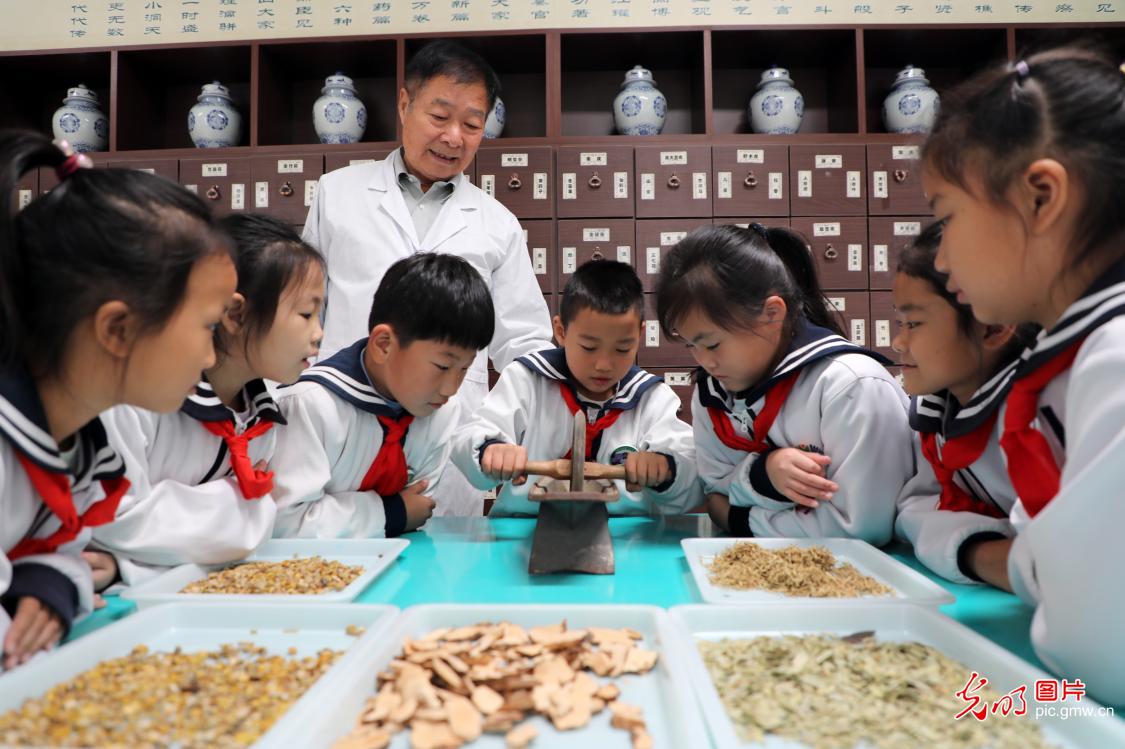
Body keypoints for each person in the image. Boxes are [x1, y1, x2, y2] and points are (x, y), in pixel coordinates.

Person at [920, 47, 1125, 705]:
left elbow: (1096, 647)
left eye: (945, 217)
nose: (941, 255)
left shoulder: (1114, 354)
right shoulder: (1074, 360)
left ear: (1040, 196)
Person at [0, 131, 236, 668]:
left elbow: (71, 559)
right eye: (206, 327)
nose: (208, 358)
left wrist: (48, 583)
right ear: (119, 330)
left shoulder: (81, 441)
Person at [302, 40, 552, 516]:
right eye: (440, 117)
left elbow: (526, 346)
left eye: (472, 125)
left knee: (441, 573)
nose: (454, 137)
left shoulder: (497, 223)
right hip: (341, 423)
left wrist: (494, 434)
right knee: (335, 551)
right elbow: (304, 309)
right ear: (404, 104)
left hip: (446, 437)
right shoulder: (339, 193)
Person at [86, 215, 325, 587]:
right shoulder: (138, 400)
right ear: (235, 314)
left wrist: (129, 563)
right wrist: (245, 505)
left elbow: (251, 539)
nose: (319, 334)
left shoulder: (262, 419)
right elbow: (114, 520)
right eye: (306, 314)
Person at [655, 223, 912, 543]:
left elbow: (860, 529)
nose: (704, 362)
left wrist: (739, 519)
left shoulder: (853, 386)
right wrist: (762, 476)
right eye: (691, 345)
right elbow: (714, 489)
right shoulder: (712, 394)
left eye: (712, 344)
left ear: (772, 314)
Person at [270, 253, 494, 538]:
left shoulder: (440, 412)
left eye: (464, 368)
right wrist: (391, 513)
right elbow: (286, 524)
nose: (451, 388)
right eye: (442, 366)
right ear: (384, 345)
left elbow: (419, 503)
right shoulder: (308, 406)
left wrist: (397, 514)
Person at [452, 260, 701, 516]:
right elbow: (468, 436)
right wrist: (490, 450)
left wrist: (666, 468)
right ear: (560, 331)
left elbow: (691, 475)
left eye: (622, 348)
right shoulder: (526, 380)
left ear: (640, 335)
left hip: (624, 535)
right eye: (589, 348)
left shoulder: (652, 399)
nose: (603, 365)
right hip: (525, 525)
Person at [891, 222, 1037, 589]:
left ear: (993, 327)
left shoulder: (1040, 413)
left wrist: (978, 548)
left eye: (914, 323)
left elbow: (1052, 563)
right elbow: (914, 511)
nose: (897, 342)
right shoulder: (936, 411)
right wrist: (979, 551)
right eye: (899, 323)